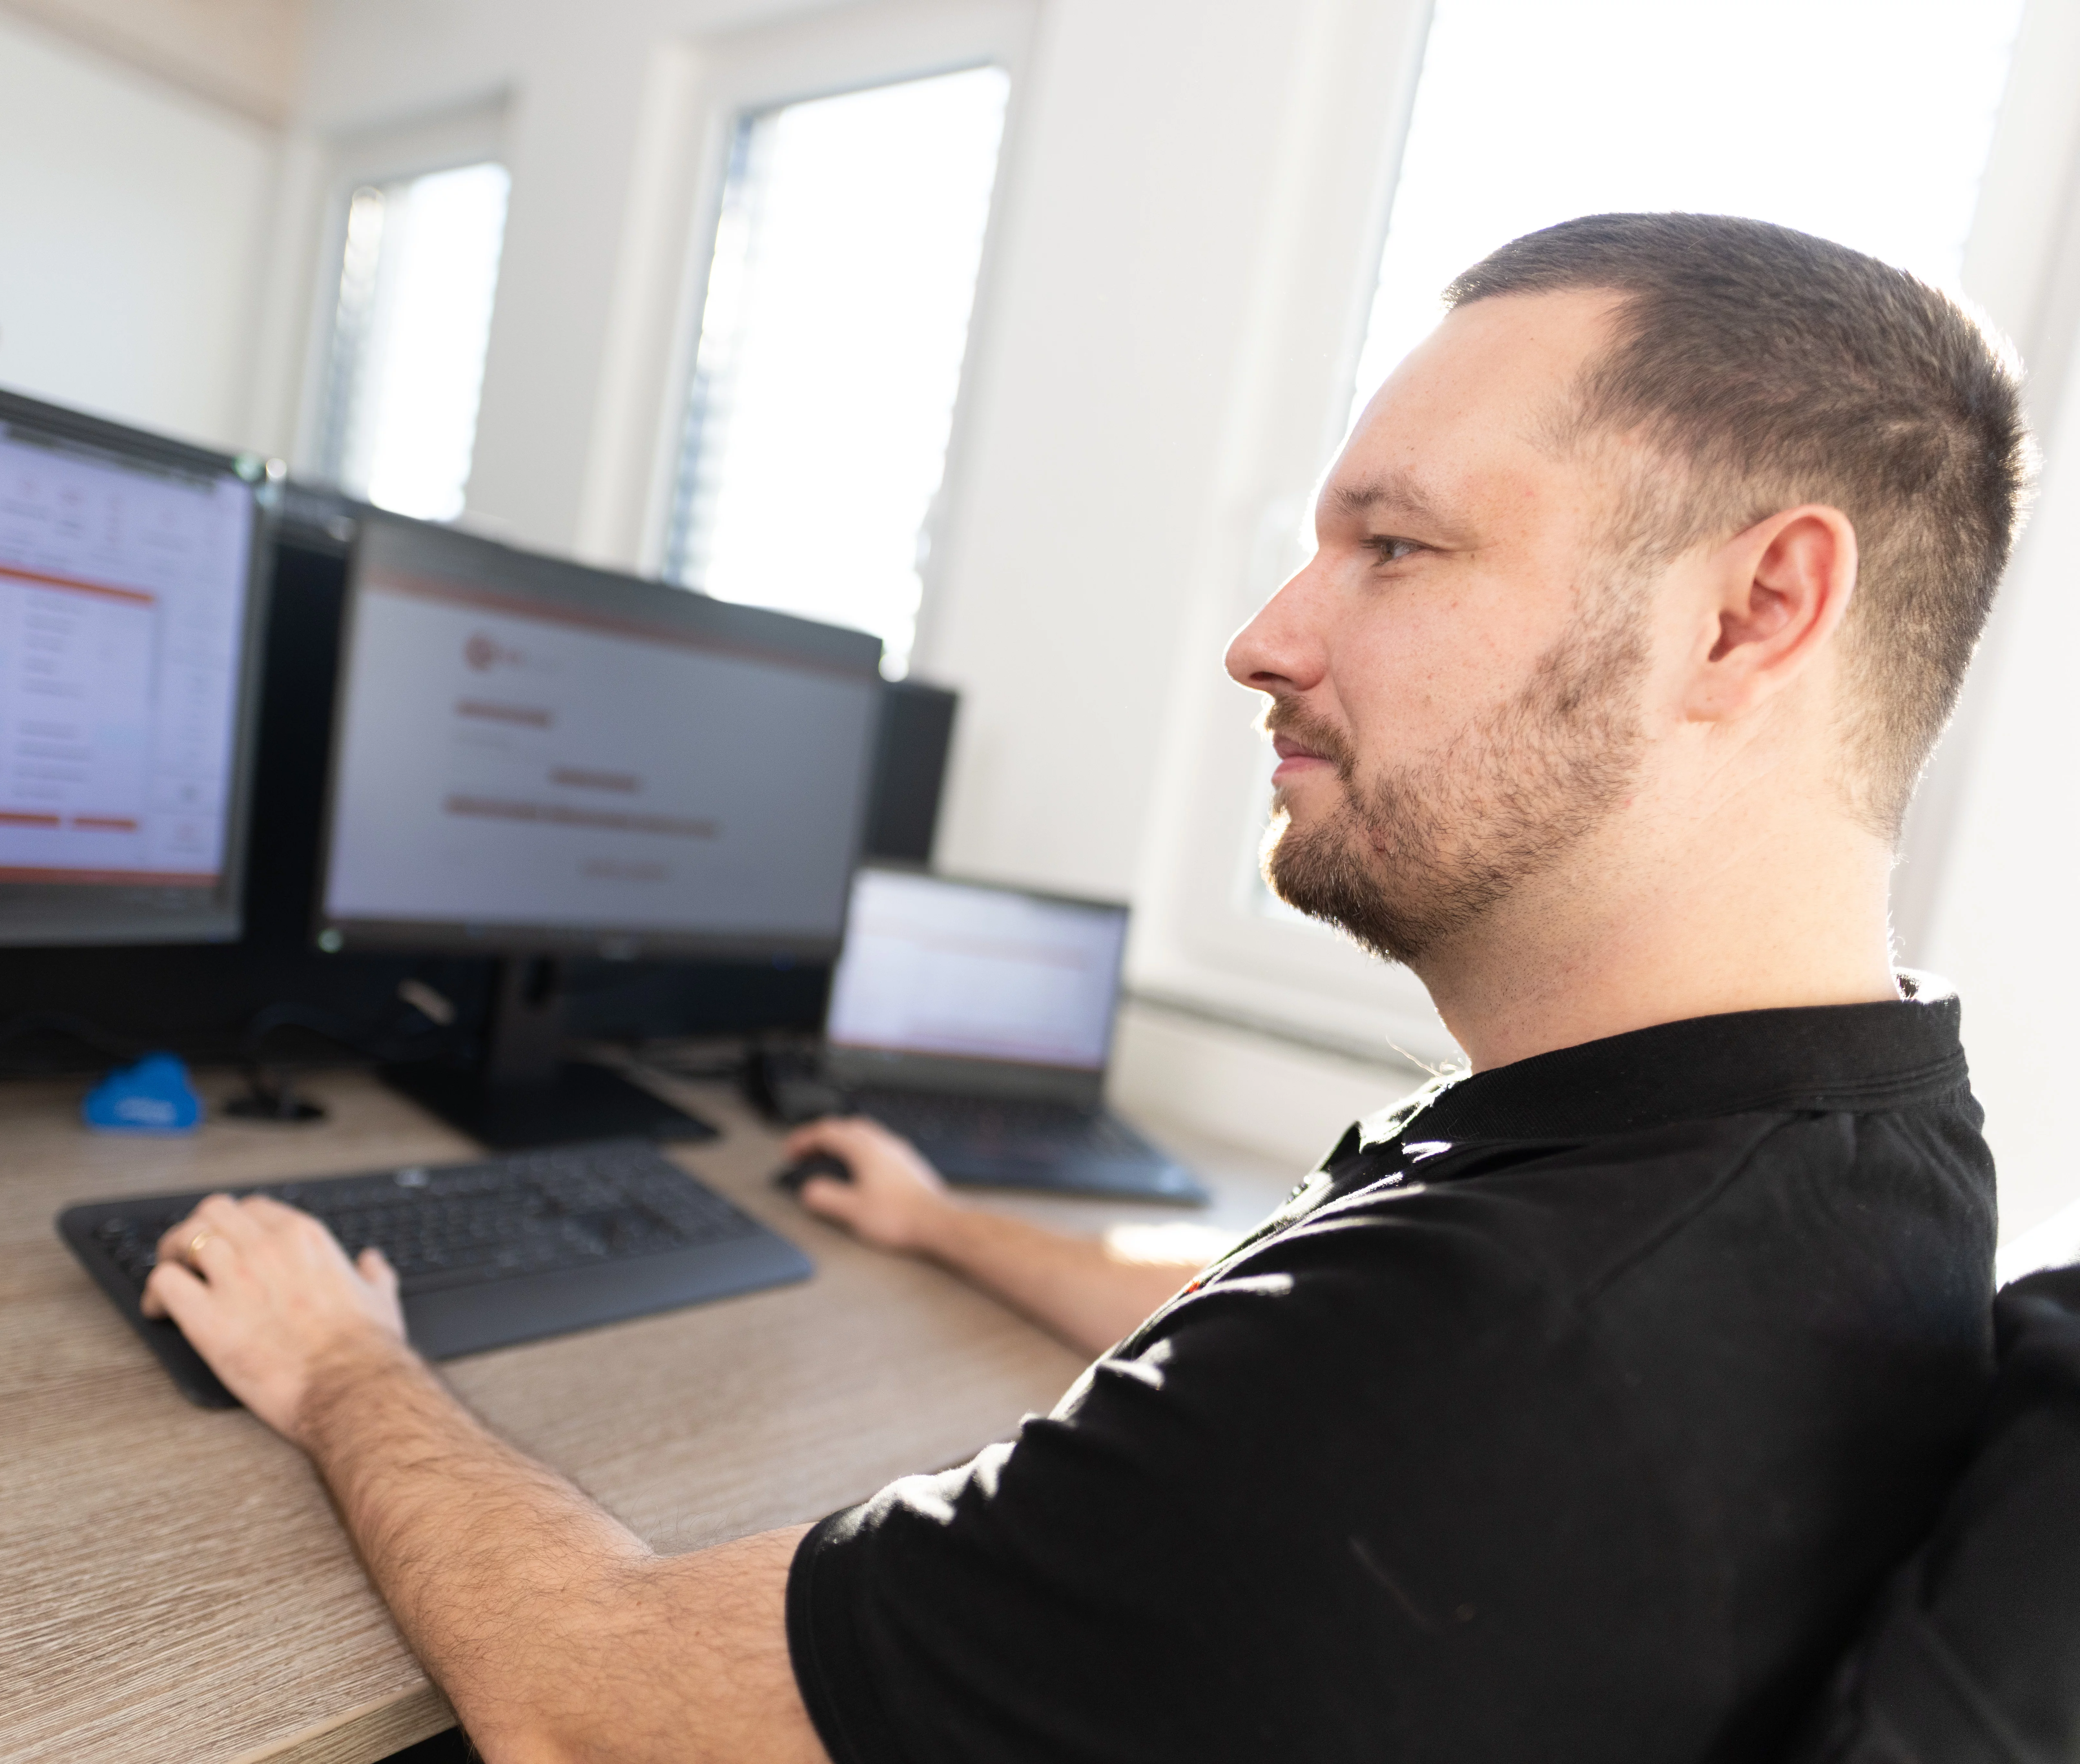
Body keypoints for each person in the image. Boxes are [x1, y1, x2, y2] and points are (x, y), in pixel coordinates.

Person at [139, 213, 2020, 1763]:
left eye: (1395, 543)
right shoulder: (1852, 1140)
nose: (1265, 638)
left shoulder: (1479, 1365)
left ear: (1754, 609)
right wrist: (950, 1222)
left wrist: (337, 1360)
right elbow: (1273, 1312)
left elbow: (587, 1690)